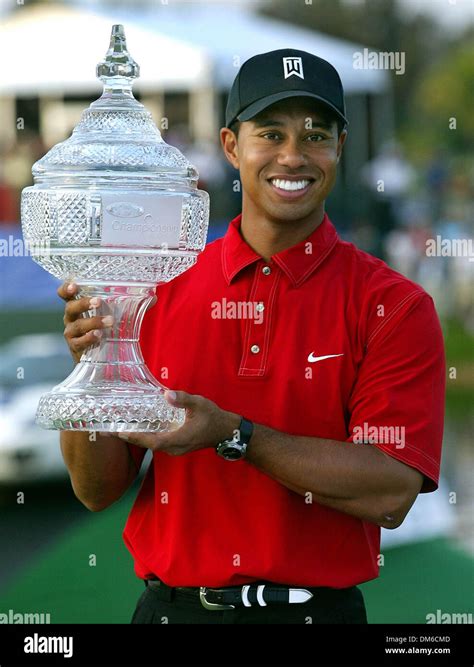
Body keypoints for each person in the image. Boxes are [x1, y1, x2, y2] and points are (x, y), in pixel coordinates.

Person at [58, 49, 445, 624]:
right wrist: (93, 372)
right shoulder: (154, 287)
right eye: (270, 133)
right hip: (171, 613)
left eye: (316, 135)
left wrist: (235, 435)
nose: (294, 156)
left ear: (339, 147)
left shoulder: (394, 305)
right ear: (231, 146)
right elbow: (98, 489)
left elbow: (390, 492)